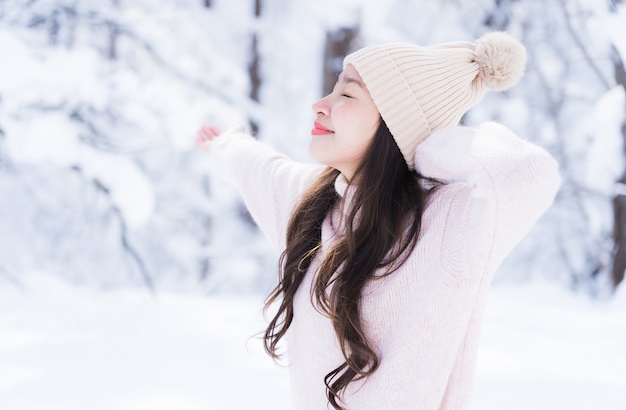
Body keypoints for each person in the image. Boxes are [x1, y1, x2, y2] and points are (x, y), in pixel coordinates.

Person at [196, 31, 560, 410]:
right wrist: (226, 144)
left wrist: (426, 143)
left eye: (347, 95)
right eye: (333, 90)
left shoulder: (451, 224)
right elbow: (259, 168)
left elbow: (529, 174)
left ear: (394, 125)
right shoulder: (310, 207)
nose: (320, 105)